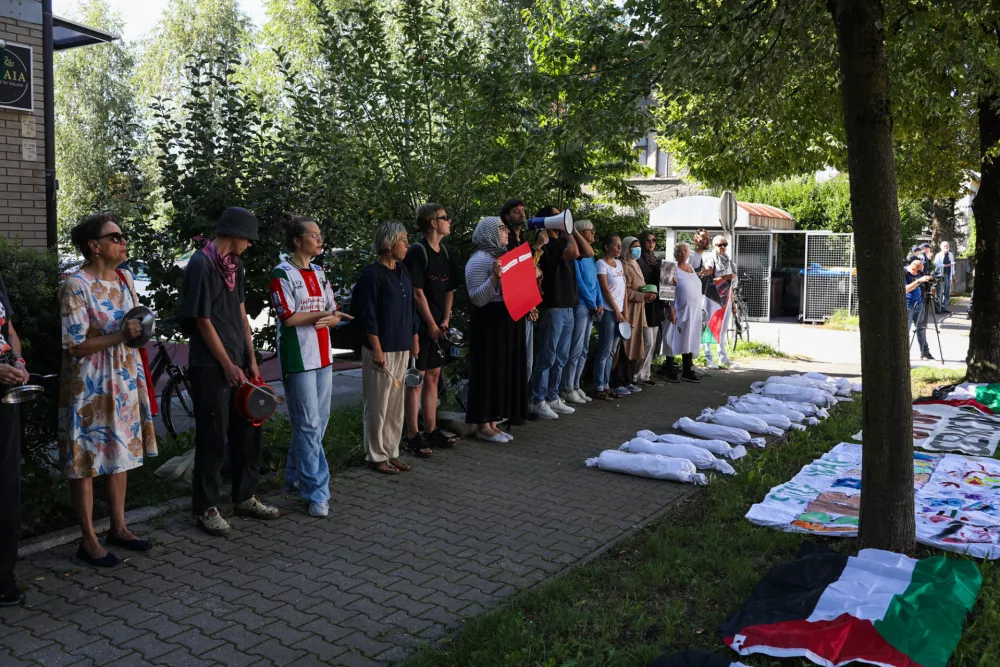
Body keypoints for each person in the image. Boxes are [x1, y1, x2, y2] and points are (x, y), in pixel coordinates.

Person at [59, 213, 157, 565]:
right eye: (115, 237)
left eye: (123, 235)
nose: (123, 241)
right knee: (85, 461)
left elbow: (136, 323)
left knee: (121, 456)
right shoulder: (76, 286)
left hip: (124, 379)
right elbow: (74, 346)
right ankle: (88, 540)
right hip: (88, 384)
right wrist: (120, 336)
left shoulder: (125, 278)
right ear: (94, 246)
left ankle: (119, 527)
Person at [181, 207, 279, 537]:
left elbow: (241, 315)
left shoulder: (236, 265)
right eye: (248, 239)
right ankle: (206, 508)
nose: (250, 245)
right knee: (212, 437)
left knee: (250, 431)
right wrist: (226, 364)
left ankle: (245, 497)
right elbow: (202, 321)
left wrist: (250, 360)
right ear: (234, 234)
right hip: (210, 366)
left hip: (239, 362)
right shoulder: (201, 263)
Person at [270, 215, 349, 518]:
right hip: (298, 357)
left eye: (320, 234)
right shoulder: (282, 273)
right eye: (313, 235)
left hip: (324, 356)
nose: (320, 239)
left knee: (318, 422)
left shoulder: (320, 271)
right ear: (297, 240)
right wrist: (323, 318)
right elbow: (288, 317)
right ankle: (317, 492)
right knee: (308, 425)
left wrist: (334, 317)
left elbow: (333, 309)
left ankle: (293, 479)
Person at [355, 222, 421, 473]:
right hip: (380, 349)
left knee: (395, 405)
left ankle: (392, 450)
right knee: (378, 405)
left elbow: (411, 309)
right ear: (388, 244)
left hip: (402, 345)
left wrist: (414, 338)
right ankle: (375, 454)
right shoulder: (372, 274)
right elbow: (367, 314)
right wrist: (377, 348)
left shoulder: (403, 270)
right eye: (402, 240)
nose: (407, 244)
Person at [465, 216, 530, 441]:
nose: (507, 233)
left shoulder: (501, 257)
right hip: (488, 321)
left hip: (505, 318)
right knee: (487, 371)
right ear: (490, 232)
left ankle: (493, 421)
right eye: (502, 229)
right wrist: (494, 276)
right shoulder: (479, 260)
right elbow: (477, 298)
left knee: (500, 370)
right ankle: (483, 424)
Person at [403, 204, 460, 455]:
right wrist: (431, 323)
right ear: (433, 223)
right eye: (445, 217)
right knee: (417, 379)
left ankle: (432, 429)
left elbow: (449, 289)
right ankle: (413, 434)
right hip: (422, 326)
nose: (449, 221)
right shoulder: (418, 251)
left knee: (434, 377)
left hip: (439, 325)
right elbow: (417, 293)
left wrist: (445, 319)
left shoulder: (444, 252)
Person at [531, 206, 593, 420]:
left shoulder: (564, 241)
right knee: (548, 354)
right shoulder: (547, 244)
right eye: (556, 216)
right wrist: (568, 232)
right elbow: (575, 252)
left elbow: (588, 252)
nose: (562, 219)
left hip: (568, 305)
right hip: (553, 305)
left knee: (562, 355)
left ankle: (552, 395)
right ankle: (538, 399)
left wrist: (572, 230)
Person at [0, 272, 29, 604]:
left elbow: (9, 331)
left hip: (5, 396)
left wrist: (18, 362)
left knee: (6, 489)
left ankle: (3, 577)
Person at [560, 219, 601, 405]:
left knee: (584, 347)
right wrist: (592, 303)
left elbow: (595, 282)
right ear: (580, 232)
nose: (592, 234)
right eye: (589, 231)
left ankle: (576, 384)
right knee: (575, 348)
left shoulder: (590, 256)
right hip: (582, 305)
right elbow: (579, 281)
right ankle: (567, 386)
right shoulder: (576, 254)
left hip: (592, 306)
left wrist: (599, 302)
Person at [610, 236, 650, 396]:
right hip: (629, 310)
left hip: (639, 311)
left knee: (636, 345)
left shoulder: (636, 264)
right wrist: (642, 296)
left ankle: (628, 379)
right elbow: (625, 291)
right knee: (625, 345)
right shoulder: (623, 265)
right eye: (634, 246)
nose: (638, 249)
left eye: (639, 246)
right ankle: (618, 381)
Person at [594, 235, 625, 400]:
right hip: (608, 312)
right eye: (616, 245)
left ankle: (606, 384)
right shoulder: (600, 264)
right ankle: (599, 386)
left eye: (620, 246)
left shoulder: (619, 263)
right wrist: (617, 311)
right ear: (607, 247)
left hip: (619, 312)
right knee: (605, 350)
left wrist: (623, 311)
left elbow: (623, 289)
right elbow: (605, 290)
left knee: (613, 350)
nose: (619, 249)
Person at [666, 243, 703, 382]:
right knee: (673, 338)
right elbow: (666, 290)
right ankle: (669, 369)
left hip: (693, 311)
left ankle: (687, 369)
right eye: (680, 251)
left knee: (689, 338)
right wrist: (671, 309)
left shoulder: (691, 268)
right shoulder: (671, 268)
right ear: (675, 253)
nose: (683, 253)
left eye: (685, 250)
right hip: (678, 310)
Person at [702, 234, 738, 369]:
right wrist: (725, 277)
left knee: (723, 329)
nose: (722, 247)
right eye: (719, 245)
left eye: (724, 245)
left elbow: (730, 285)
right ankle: (708, 357)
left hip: (726, 298)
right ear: (713, 246)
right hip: (713, 299)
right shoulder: (711, 260)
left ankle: (723, 357)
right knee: (710, 328)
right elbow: (708, 280)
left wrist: (733, 303)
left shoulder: (728, 261)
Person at [636, 229, 665, 386]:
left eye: (654, 240)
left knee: (654, 342)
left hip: (656, 304)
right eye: (648, 240)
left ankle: (645, 374)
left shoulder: (657, 260)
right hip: (643, 304)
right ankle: (636, 373)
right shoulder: (638, 260)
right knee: (646, 341)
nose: (652, 243)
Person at [905, 258, 935, 360]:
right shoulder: (904, 273)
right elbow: (905, 289)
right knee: (906, 330)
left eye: (921, 271)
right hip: (908, 305)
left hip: (919, 304)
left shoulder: (918, 273)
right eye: (919, 271)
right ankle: (903, 354)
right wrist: (918, 281)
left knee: (921, 329)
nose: (920, 273)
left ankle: (925, 352)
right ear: (913, 268)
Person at [933, 241, 956, 313]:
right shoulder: (938, 255)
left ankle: (944, 307)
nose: (946, 247)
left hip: (948, 276)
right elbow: (936, 265)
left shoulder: (950, 254)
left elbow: (953, 266)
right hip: (940, 276)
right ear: (941, 247)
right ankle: (938, 309)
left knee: (947, 293)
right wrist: (946, 265)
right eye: (945, 246)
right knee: (939, 293)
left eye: (947, 245)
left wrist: (953, 275)